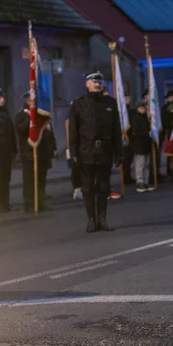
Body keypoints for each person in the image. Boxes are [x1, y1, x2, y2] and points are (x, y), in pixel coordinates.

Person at [68, 71, 121, 232]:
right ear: (87, 84)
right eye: (94, 81)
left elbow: (116, 130)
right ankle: (91, 219)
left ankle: (102, 219)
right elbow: (73, 132)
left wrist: (119, 152)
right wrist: (74, 154)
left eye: (100, 82)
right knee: (88, 188)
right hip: (86, 151)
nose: (97, 84)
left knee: (104, 187)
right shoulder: (78, 104)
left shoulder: (110, 104)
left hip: (104, 151)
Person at [16, 93, 56, 212]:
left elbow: (49, 132)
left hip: (42, 153)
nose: (32, 101)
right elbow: (21, 130)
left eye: (33, 99)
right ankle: (29, 204)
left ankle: (40, 203)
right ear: (26, 100)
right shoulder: (21, 115)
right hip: (28, 153)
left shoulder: (41, 115)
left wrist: (53, 147)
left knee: (41, 180)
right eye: (29, 99)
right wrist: (31, 119)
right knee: (29, 180)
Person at [129, 100, 153, 192]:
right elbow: (135, 132)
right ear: (138, 109)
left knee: (147, 164)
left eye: (144, 108)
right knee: (140, 164)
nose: (143, 109)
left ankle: (146, 181)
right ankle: (139, 181)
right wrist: (146, 133)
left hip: (146, 144)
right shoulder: (136, 118)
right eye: (141, 108)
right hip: (139, 144)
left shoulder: (146, 118)